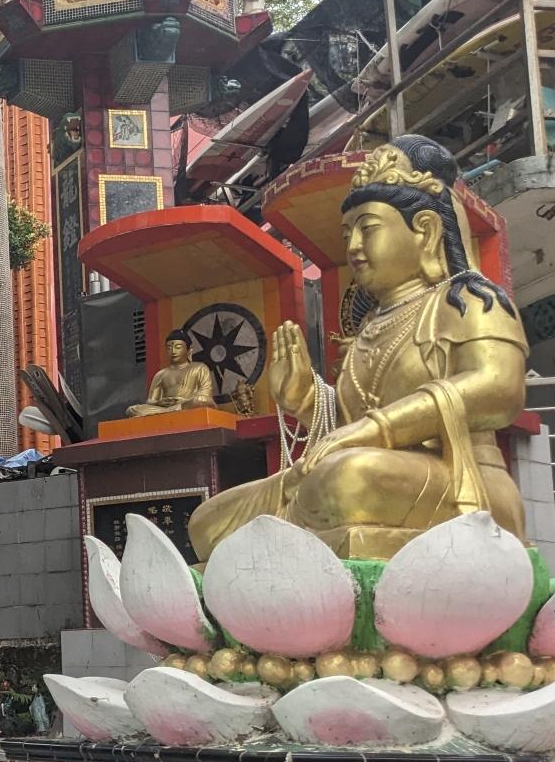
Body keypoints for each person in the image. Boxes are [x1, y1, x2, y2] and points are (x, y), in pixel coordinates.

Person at [187, 138, 526, 561]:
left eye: (369, 228)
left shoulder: (469, 300)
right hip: (377, 474)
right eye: (348, 234)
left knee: (346, 477)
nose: (353, 247)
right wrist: (306, 401)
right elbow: (346, 428)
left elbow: (500, 388)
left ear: (426, 229)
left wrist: (376, 430)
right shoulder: (369, 327)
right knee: (208, 521)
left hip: (462, 478)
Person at [127, 331, 216, 416]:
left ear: (189, 350)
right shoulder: (160, 374)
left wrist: (183, 401)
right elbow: (150, 401)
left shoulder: (200, 368)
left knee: (201, 400)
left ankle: (168, 412)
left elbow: (205, 394)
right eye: (169, 348)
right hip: (167, 408)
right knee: (132, 409)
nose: (173, 351)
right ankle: (170, 411)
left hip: (187, 404)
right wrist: (159, 402)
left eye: (178, 347)